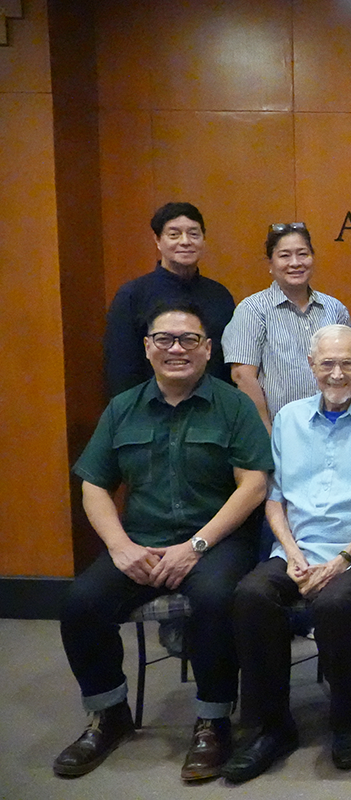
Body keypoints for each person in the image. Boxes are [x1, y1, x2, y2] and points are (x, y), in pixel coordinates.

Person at [56, 302, 272, 781]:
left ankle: (214, 720)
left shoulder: (233, 406)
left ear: (208, 349)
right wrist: (119, 546)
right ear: (148, 348)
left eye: (189, 340)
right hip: (141, 542)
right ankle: (109, 713)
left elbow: (254, 484)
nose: (177, 349)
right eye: (165, 340)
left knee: (218, 600)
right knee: (80, 603)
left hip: (217, 540)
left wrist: (195, 546)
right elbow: (94, 484)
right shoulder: (123, 408)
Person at [221, 325, 351, 783]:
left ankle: (346, 718)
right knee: (252, 595)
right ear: (312, 367)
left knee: (335, 603)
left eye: (347, 364)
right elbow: (275, 499)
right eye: (327, 364)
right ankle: (273, 726)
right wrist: (291, 554)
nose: (337, 373)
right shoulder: (288, 419)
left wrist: (343, 560)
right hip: (301, 547)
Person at [223, 222, 351, 431]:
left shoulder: (334, 308)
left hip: (335, 429)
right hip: (280, 430)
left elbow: (349, 370)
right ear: (271, 264)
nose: (295, 263)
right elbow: (243, 377)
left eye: (303, 254)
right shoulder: (253, 309)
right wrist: (267, 434)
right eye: (284, 256)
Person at [103, 202, 235, 396]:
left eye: (194, 234)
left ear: (203, 240)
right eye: (174, 234)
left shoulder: (219, 295)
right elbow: (121, 369)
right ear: (157, 240)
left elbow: (226, 363)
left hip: (211, 410)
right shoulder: (132, 295)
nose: (185, 241)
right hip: (150, 411)